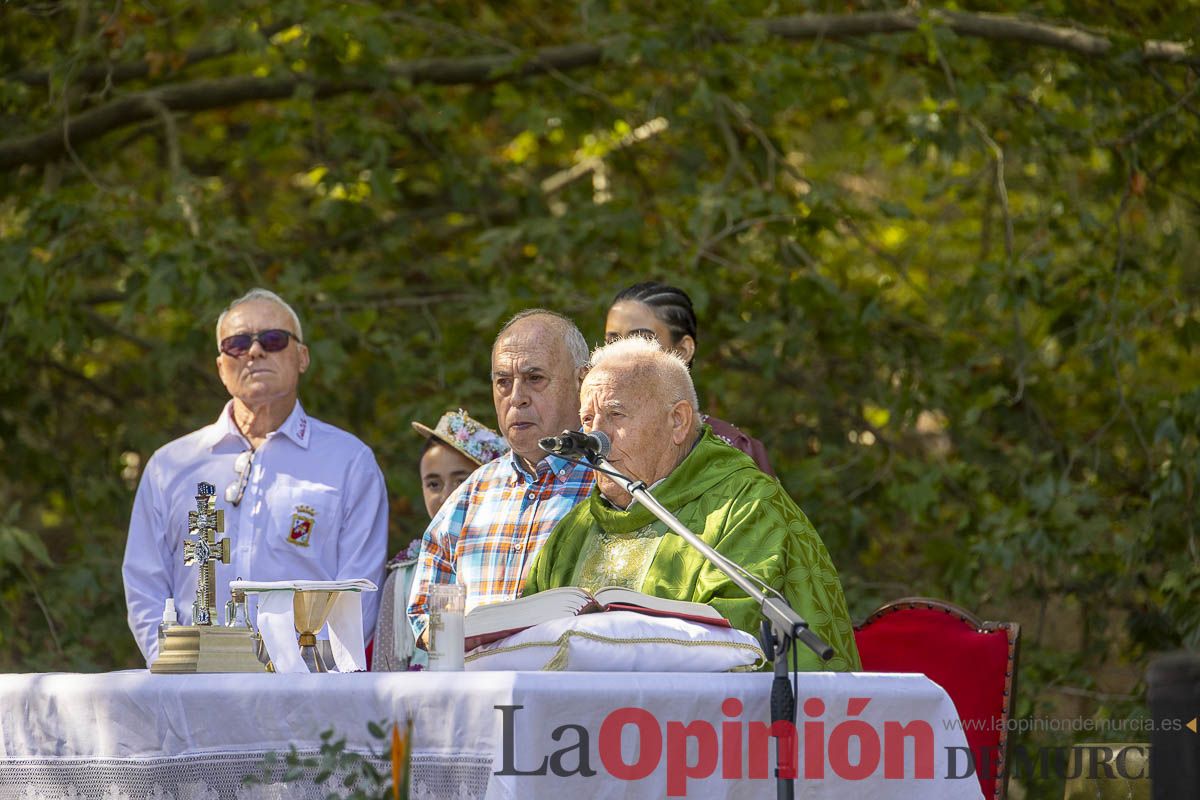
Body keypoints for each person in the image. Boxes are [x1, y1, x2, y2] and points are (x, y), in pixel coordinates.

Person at [523, 336, 860, 671]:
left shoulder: (746, 508)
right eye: (587, 420)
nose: (595, 438)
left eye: (615, 414)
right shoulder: (574, 533)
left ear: (678, 422)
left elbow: (737, 643)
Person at [122, 288, 389, 666]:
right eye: (237, 344)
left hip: (309, 685)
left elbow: (358, 597)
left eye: (273, 339)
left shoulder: (349, 462)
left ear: (302, 357)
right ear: (221, 367)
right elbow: (144, 585)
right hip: (194, 682)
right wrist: (173, 669)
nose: (255, 351)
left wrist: (317, 683)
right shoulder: (171, 465)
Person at [406, 309, 595, 640]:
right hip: (479, 673)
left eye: (535, 378)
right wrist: (472, 639)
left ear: (582, 381)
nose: (516, 398)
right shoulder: (469, 496)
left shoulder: (614, 484)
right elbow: (428, 620)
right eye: (503, 382)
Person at [373, 409, 508, 671]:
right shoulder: (404, 578)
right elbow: (384, 673)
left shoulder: (510, 560)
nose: (447, 496)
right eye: (433, 484)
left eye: (461, 481)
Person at [605, 280, 775, 475]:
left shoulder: (730, 451)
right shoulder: (592, 442)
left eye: (642, 339)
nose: (623, 351)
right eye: (612, 341)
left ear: (683, 350)